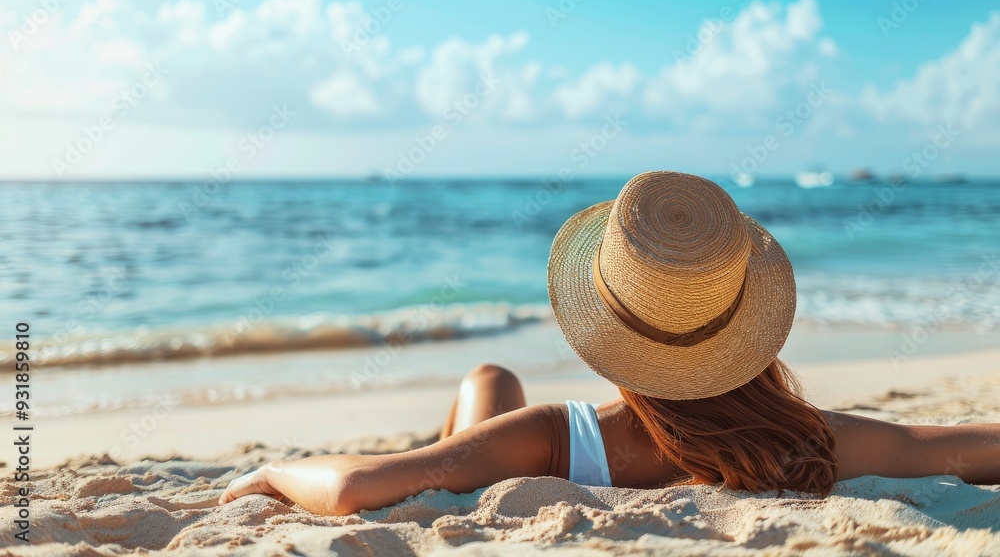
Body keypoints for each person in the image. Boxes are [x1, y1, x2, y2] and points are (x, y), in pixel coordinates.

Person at [218, 171, 1000, 516]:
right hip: (537, 448)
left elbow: (355, 488)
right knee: (489, 380)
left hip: (509, 451)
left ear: (606, 325)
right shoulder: (814, 441)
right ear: (742, 324)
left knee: (485, 392)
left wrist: (273, 470)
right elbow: (970, 446)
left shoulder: (554, 438)